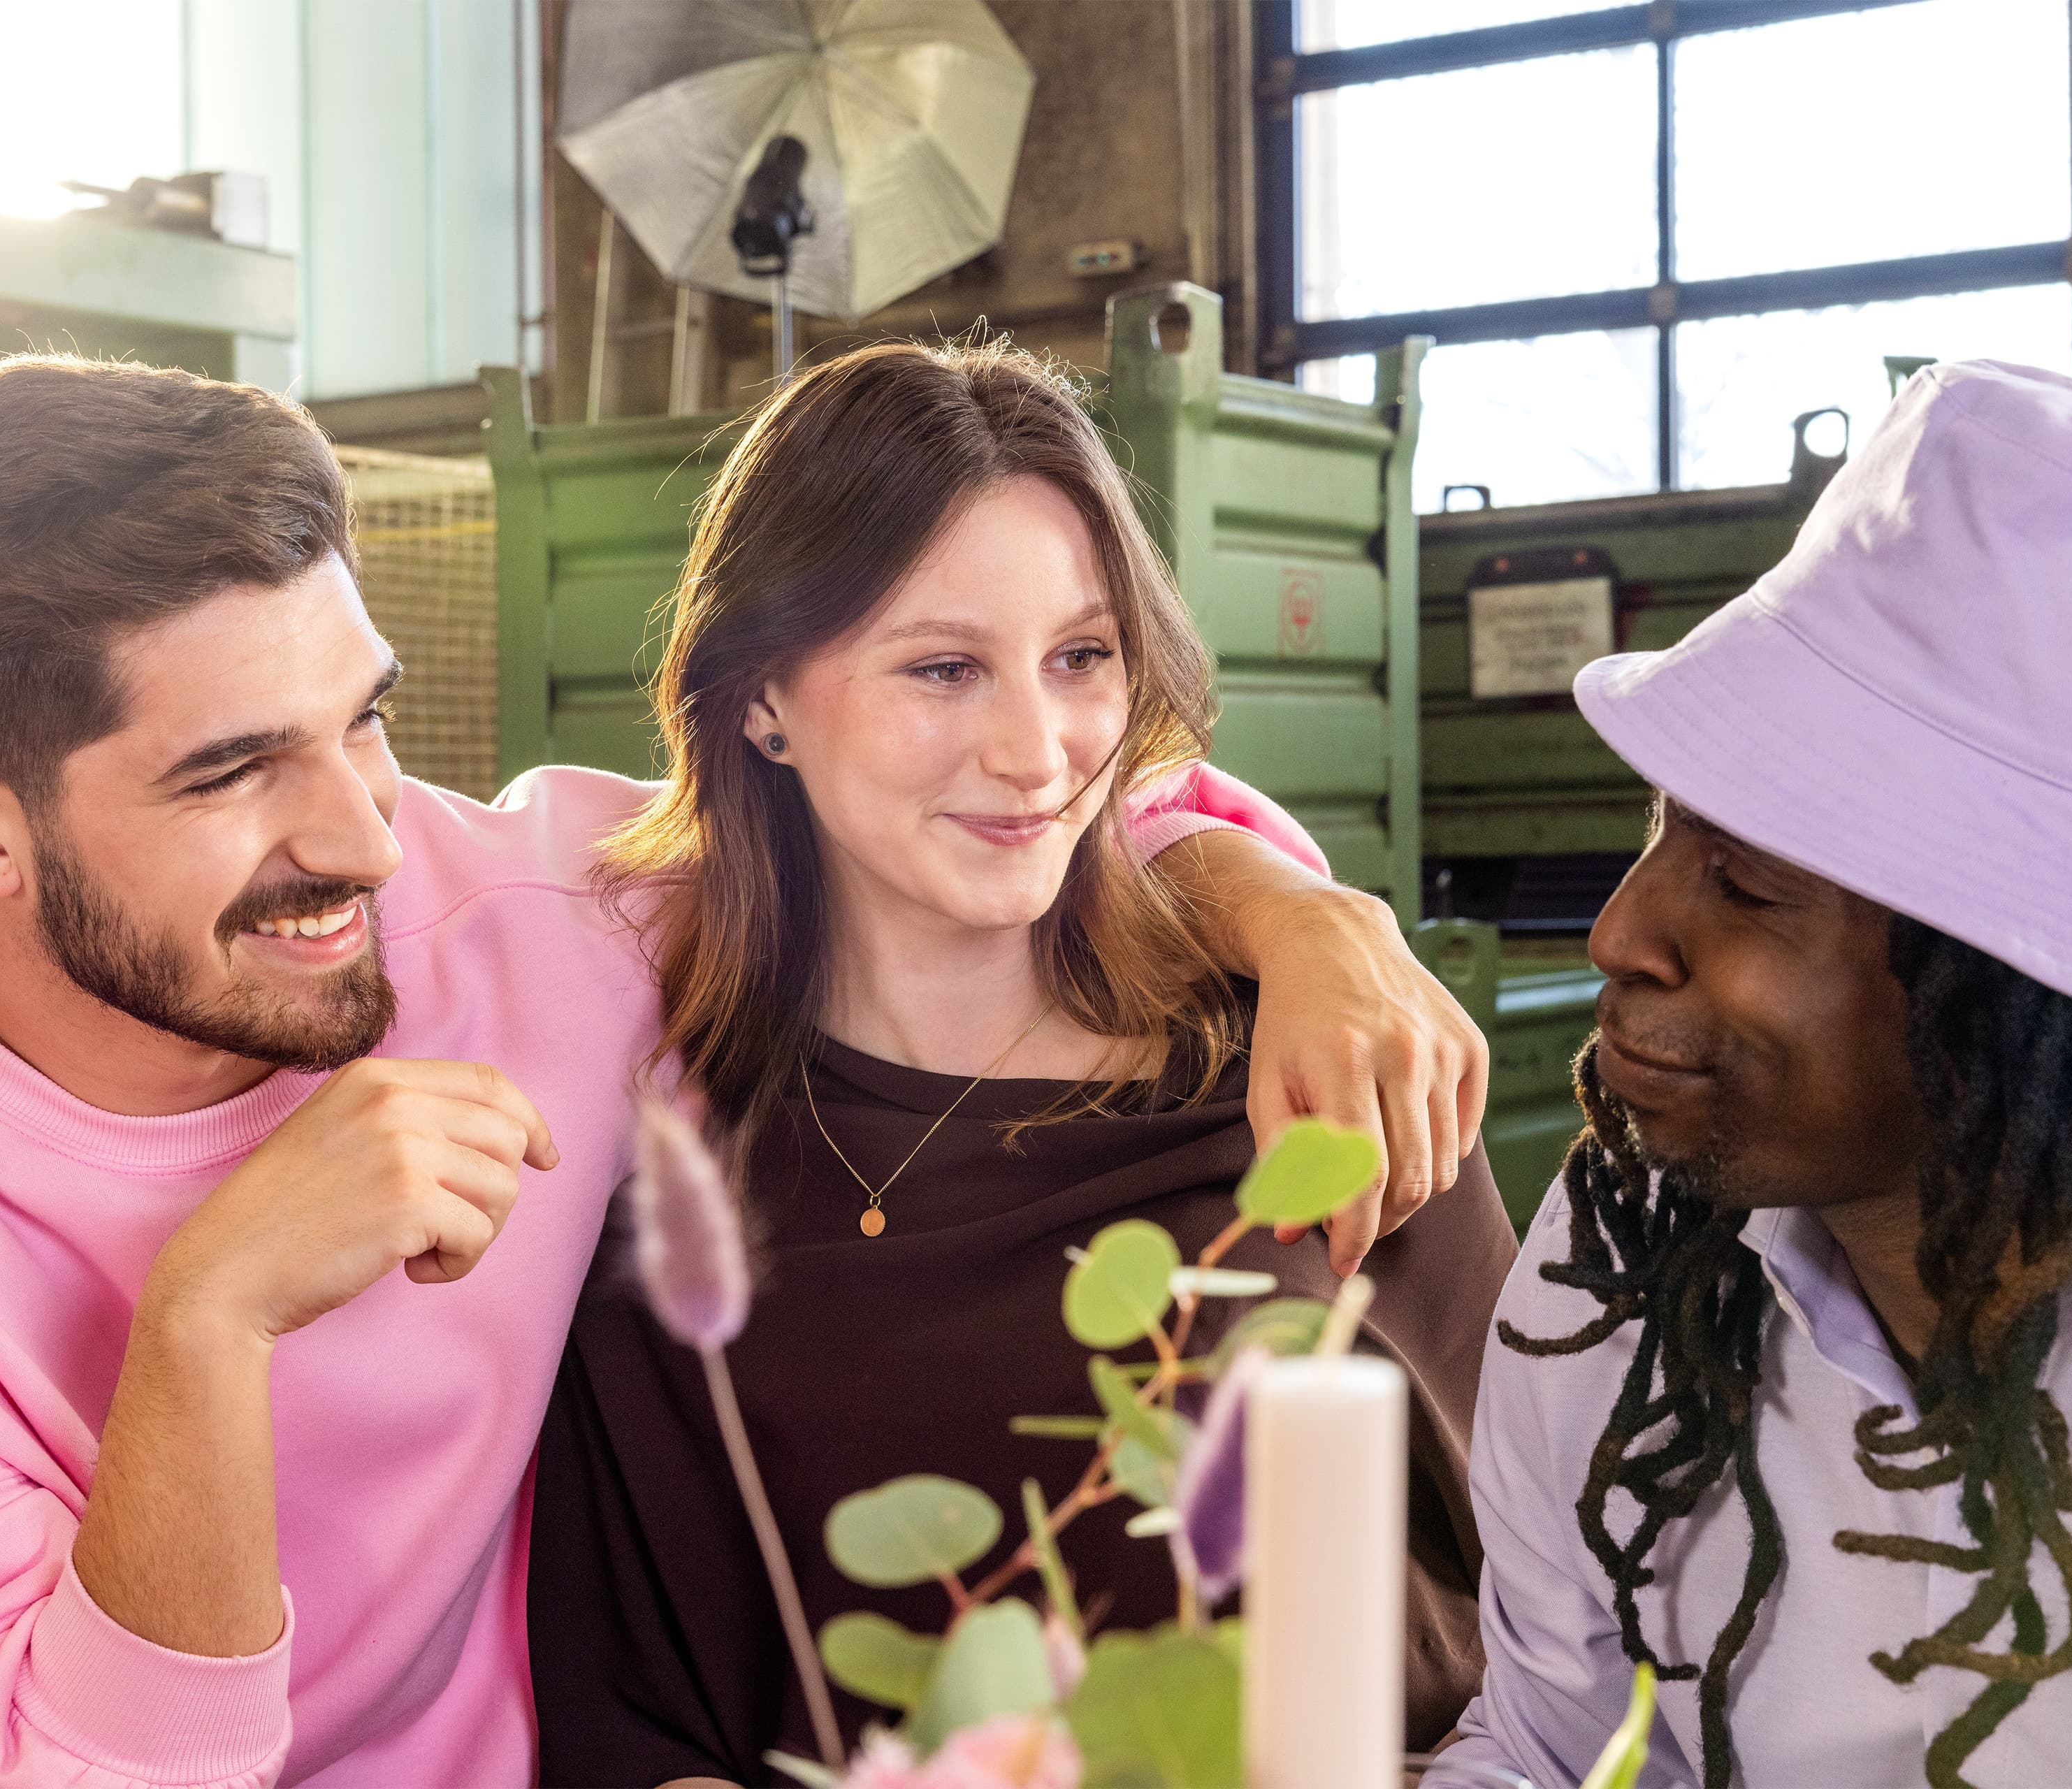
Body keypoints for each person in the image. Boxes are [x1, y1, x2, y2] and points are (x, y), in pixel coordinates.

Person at [0, 355, 1487, 1789]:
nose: (367, 838)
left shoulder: (524, 914)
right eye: (234, 773)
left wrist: (1300, 912)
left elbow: (964, 805)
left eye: (365, 719)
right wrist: (206, 1320)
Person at [521, 342, 1521, 1789]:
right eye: (943, 667)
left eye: (1082, 657)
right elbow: (637, 1731)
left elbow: (1556, 1617)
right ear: (761, 702)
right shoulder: (670, 1197)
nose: (1037, 748)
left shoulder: (1314, 1074)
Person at [1427, 360, 2072, 1789]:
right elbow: (1549, 1748)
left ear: (2043, 986)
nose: (1620, 930)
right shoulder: (1617, 1268)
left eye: (1743, 882)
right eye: (1664, 825)